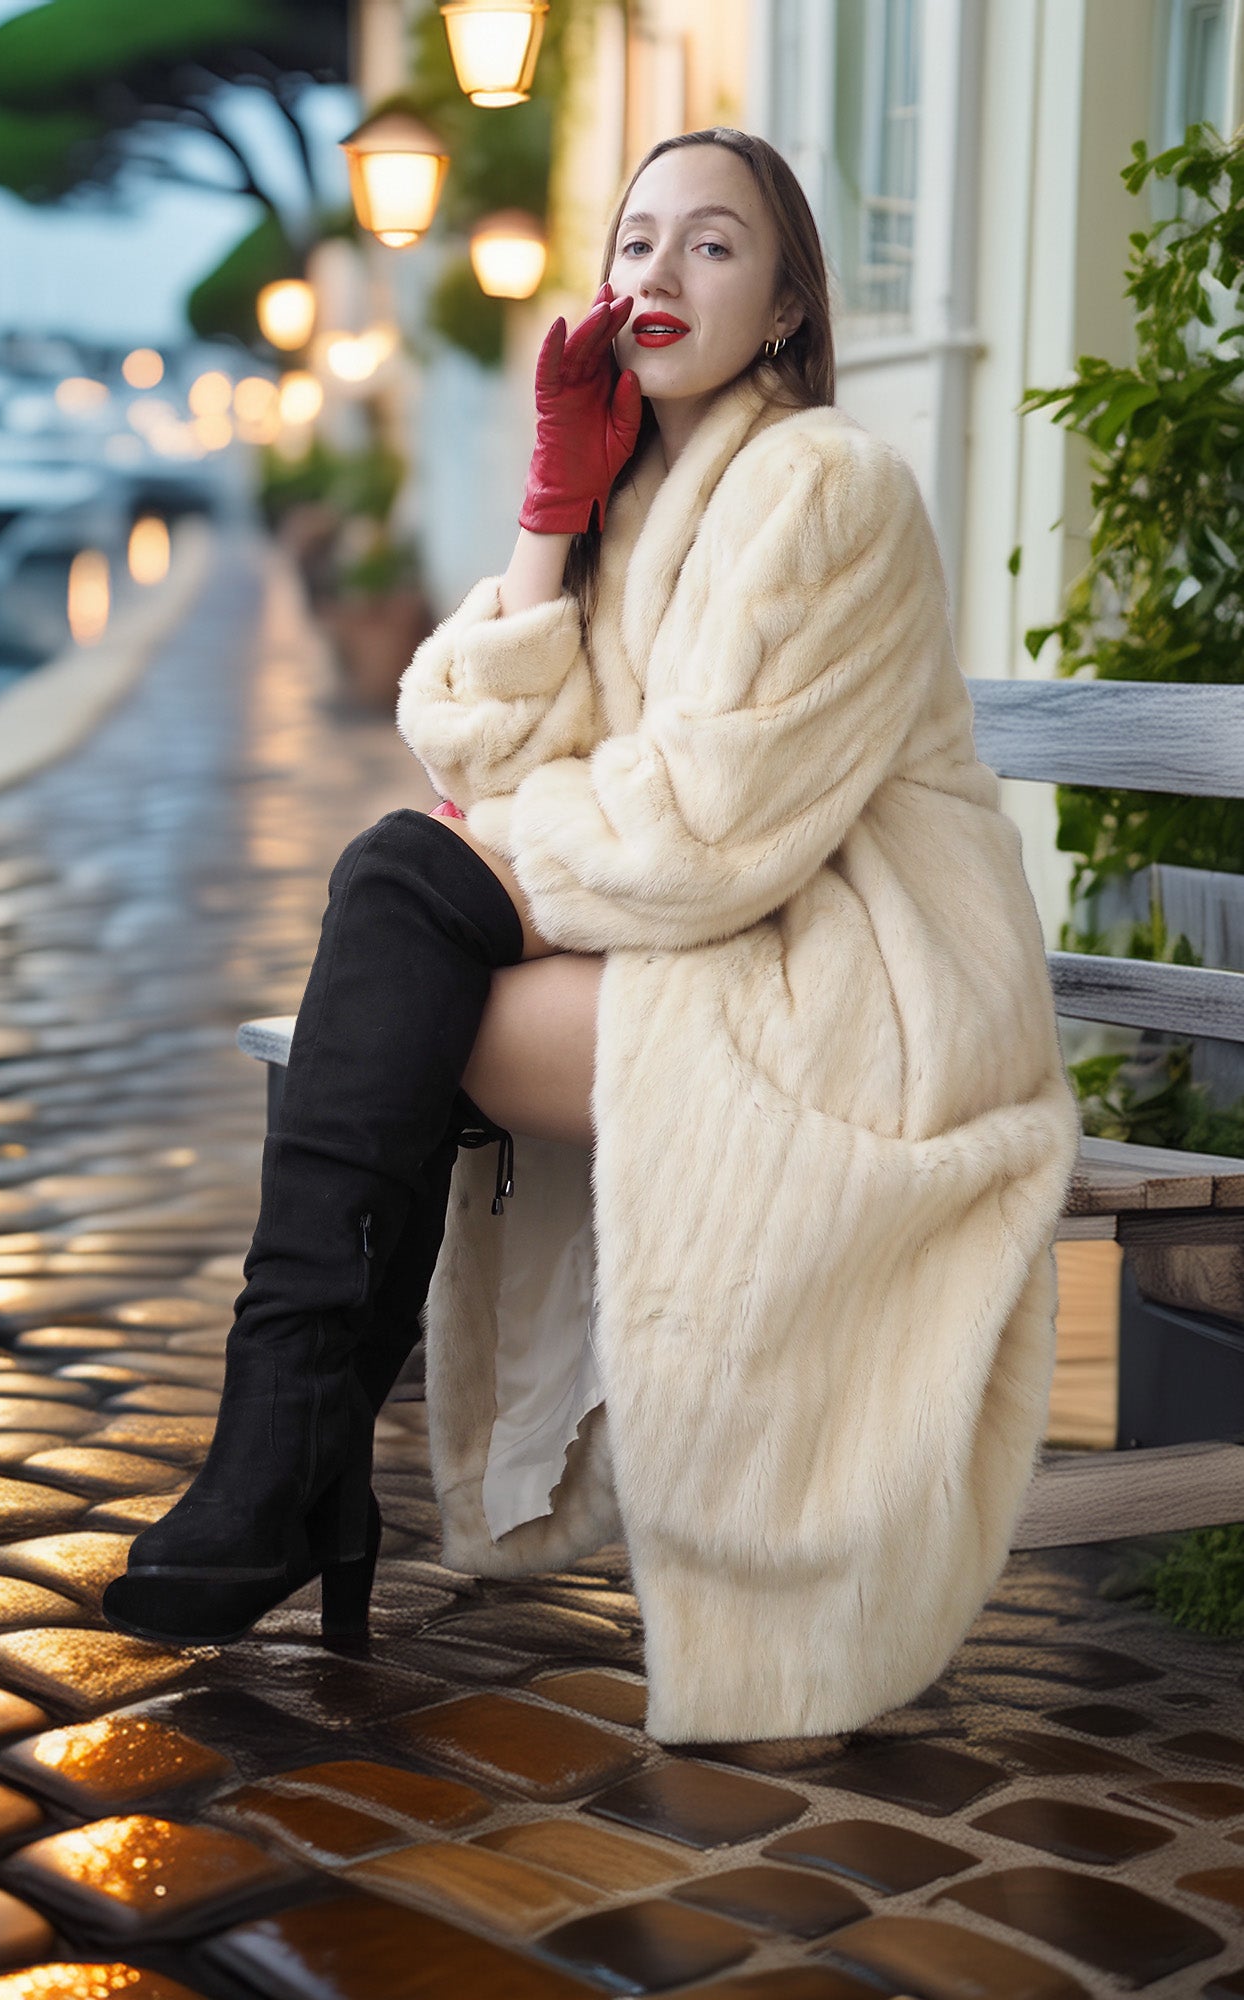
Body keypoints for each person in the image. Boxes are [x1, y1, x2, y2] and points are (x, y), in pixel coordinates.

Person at [104, 128, 1081, 1747]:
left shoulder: (828, 488)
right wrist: (554, 503)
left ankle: (288, 1456)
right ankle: (291, 1456)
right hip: (722, 940)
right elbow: (481, 750)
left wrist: (480, 843)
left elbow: (708, 830)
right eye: (635, 243)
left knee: (401, 911)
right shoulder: (632, 493)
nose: (658, 275)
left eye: (713, 245)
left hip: (868, 984)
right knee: (403, 911)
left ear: (783, 304)